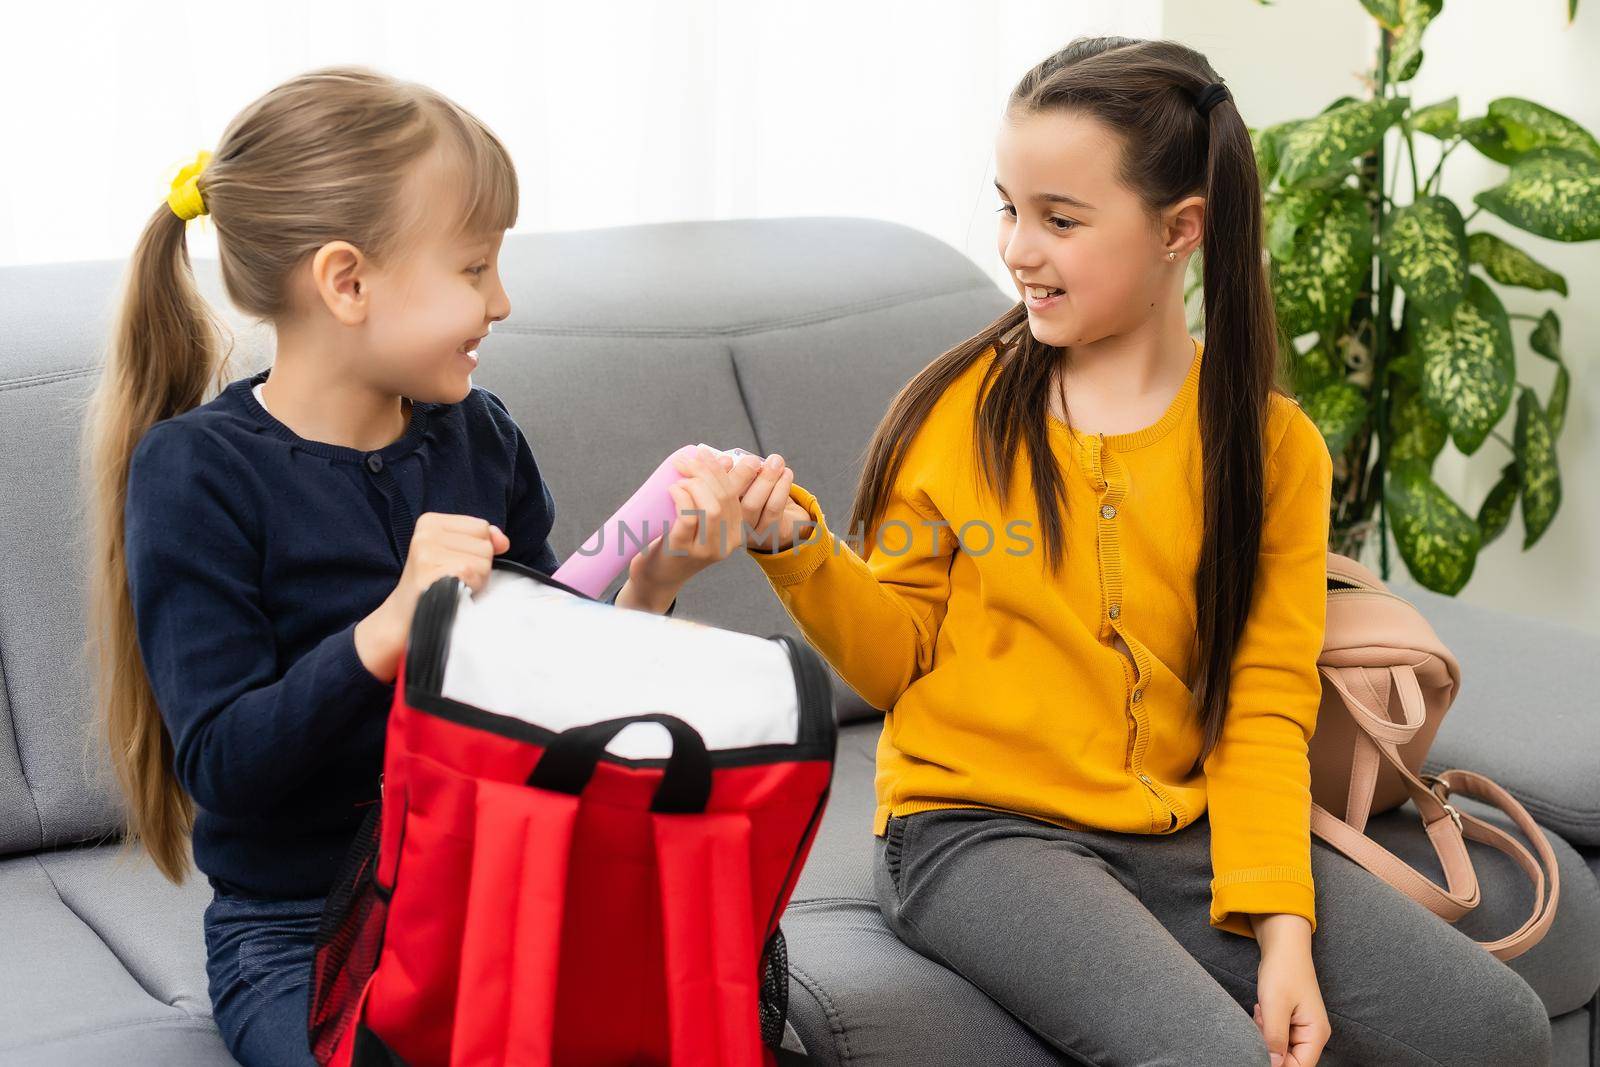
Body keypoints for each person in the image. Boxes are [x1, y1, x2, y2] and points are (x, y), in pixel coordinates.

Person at [738, 37, 1550, 1067]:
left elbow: (1261, 704)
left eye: (1059, 219)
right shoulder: (958, 413)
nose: (1017, 249)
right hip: (974, 829)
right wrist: (796, 545)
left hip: (1184, 827)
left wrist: (1283, 932)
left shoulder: (1270, 449)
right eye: (1007, 207)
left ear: (1181, 230)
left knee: (1497, 1028)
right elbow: (896, 656)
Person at [83, 65, 794, 1067]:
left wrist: (650, 583)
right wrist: (386, 630)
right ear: (347, 281)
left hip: (501, 898)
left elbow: (549, 689)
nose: (501, 300)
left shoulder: (478, 435)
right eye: (472, 267)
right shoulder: (197, 471)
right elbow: (227, 766)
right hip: (300, 938)